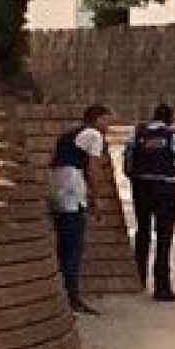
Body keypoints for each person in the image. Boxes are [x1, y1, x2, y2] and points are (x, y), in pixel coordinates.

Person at [124, 103, 175, 302]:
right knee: (164, 236)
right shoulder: (174, 137)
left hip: (141, 187)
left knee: (143, 232)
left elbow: (128, 166)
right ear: (170, 118)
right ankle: (162, 286)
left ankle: (138, 279)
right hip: (166, 188)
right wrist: (172, 171)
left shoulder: (136, 137)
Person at [47, 105, 112, 315]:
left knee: (63, 244)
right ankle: (72, 298)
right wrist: (97, 196)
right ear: (96, 119)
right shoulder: (93, 135)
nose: (108, 126)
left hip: (56, 186)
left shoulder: (69, 136)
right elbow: (93, 168)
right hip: (72, 189)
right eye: (106, 121)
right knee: (73, 247)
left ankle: (64, 293)